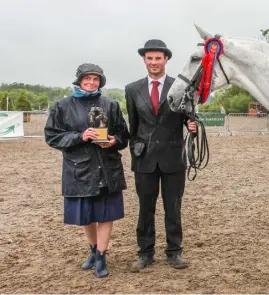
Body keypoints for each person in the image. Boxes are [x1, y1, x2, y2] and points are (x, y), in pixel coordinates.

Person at [44, 63, 130, 278]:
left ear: (101, 81)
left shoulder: (111, 105)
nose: (91, 83)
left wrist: (113, 141)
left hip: (107, 168)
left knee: (106, 214)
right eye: (87, 78)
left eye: (96, 79)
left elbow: (123, 136)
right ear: (79, 80)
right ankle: (92, 249)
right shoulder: (62, 106)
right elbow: (52, 136)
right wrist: (79, 136)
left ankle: (101, 255)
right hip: (79, 169)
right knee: (87, 216)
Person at [125, 39, 197, 271]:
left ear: (166, 59)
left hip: (173, 158)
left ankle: (174, 252)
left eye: (158, 58)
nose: (154, 62)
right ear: (144, 60)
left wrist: (193, 125)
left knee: (173, 208)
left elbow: (188, 116)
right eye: (150, 58)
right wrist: (136, 148)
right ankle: (145, 253)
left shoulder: (180, 86)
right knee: (145, 208)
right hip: (144, 159)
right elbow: (134, 126)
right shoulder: (132, 89)